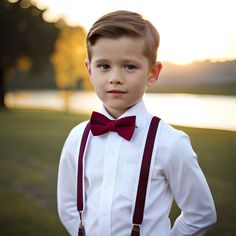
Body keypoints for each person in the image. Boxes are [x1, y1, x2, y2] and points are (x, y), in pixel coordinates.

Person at [57, 10, 216, 236]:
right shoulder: (77, 138)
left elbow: (201, 214)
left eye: (129, 66)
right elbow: (67, 204)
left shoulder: (171, 143)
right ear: (90, 71)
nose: (115, 77)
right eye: (104, 66)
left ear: (152, 73)